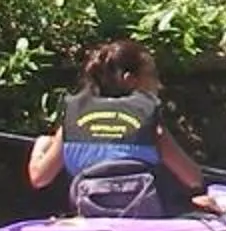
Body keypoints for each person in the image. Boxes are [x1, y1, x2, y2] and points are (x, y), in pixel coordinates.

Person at [28, 37, 208, 220]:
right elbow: (193, 179)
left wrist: (40, 147)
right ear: (129, 79)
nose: (159, 84)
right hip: (143, 218)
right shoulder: (149, 121)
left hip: (91, 217)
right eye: (152, 74)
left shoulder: (73, 121)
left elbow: (39, 178)